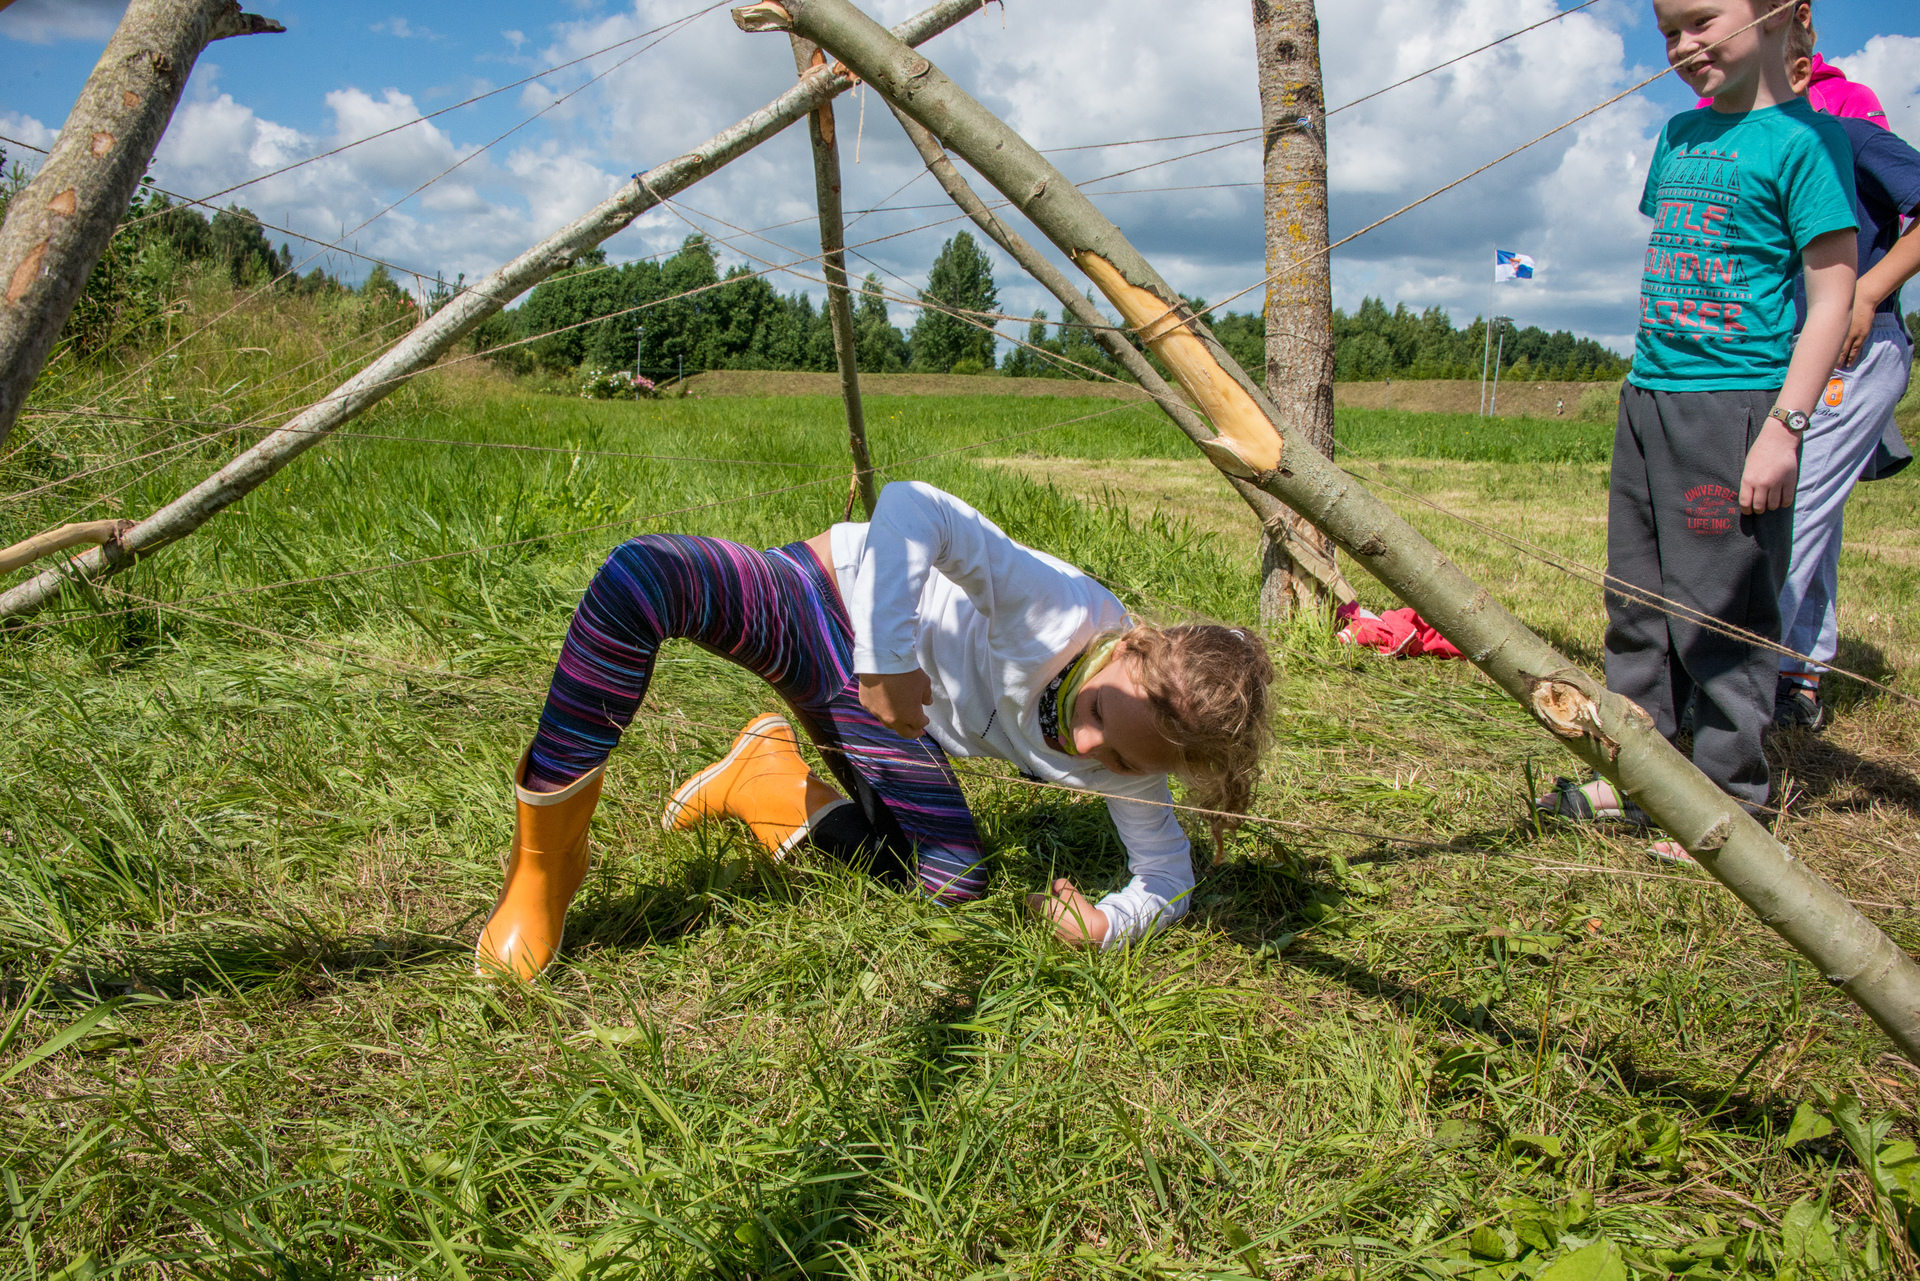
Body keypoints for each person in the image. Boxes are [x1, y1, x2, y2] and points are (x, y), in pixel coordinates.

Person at [476, 480, 1275, 979]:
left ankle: (765, 779)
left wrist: (1105, 927)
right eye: (1099, 714)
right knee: (642, 578)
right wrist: (887, 659)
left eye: (1123, 759)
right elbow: (912, 505)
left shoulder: (1140, 756)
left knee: (952, 883)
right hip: (817, 600)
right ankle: (545, 866)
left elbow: (1168, 877)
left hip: (881, 723)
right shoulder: (1055, 607)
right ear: (1130, 645)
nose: (1091, 749)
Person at [1536, 0, 1857, 860]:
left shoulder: (1807, 142)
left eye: (1702, 21)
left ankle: (1727, 800)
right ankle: (1638, 773)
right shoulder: (1678, 134)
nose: (1684, 46)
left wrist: (1785, 426)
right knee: (1636, 602)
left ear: (1776, 13)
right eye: (1668, 32)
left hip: (1736, 406)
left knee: (1720, 609)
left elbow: (1833, 297)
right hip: (1649, 396)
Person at [1771, 17, 1920, 729]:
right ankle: (1797, 671)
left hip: (1855, 349)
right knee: (1811, 513)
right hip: (1787, 347)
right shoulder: (1760, 149)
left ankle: (1740, 677)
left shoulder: (1851, 133)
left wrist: (1868, 291)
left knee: (1791, 509)